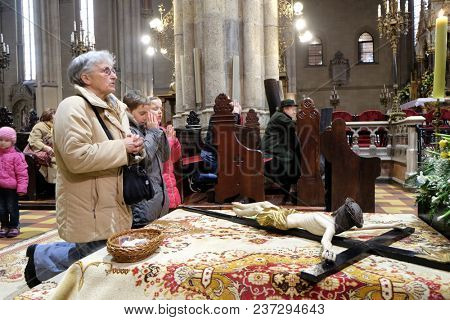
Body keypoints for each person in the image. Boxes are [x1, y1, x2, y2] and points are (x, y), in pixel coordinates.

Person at [24, 50, 144, 288]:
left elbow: (119, 148)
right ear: (85, 78)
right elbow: (76, 157)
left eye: (113, 70)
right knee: (94, 257)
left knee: (99, 254)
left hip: (111, 196)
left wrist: (135, 149)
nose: (114, 76)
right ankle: (41, 258)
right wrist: (123, 147)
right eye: (105, 70)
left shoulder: (114, 107)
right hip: (88, 199)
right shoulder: (73, 106)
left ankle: (41, 256)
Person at [232, 198, 400, 261]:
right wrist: (390, 226)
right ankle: (242, 207)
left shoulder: (330, 227)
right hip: (292, 214)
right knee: (265, 204)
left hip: (283, 221)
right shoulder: (333, 224)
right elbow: (364, 227)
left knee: (263, 208)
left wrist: (328, 251)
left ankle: (240, 212)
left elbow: (325, 241)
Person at [123, 92, 170, 227]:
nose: (147, 117)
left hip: (158, 198)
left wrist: (159, 132)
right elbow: (145, 159)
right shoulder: (129, 131)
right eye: (142, 113)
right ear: (129, 112)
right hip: (143, 204)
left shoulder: (148, 130)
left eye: (148, 113)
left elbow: (165, 157)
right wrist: (153, 132)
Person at [261, 99, 301, 202]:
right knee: (290, 159)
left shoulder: (281, 116)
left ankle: (290, 191)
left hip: (276, 147)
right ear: (285, 109)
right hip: (270, 149)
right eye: (293, 109)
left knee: (294, 156)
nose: (294, 112)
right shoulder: (280, 116)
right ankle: (290, 190)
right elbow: (293, 125)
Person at [147, 98, 183, 209]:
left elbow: (175, 158)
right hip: (160, 187)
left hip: (170, 184)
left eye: (161, 109)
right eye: (155, 108)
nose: (159, 112)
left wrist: (175, 141)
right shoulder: (148, 133)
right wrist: (170, 141)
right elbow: (160, 159)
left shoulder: (163, 130)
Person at [0, 127, 28, 238]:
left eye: (6, 140)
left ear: (12, 141)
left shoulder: (17, 156)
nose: (3, 142)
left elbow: (22, 173)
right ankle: (4, 225)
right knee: (1, 208)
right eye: (0, 139)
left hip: (11, 187)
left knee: (12, 207)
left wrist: (22, 188)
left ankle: (14, 226)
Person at [27, 109, 57, 184]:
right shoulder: (39, 126)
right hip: (45, 154)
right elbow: (34, 141)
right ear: (49, 116)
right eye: (54, 116)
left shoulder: (56, 126)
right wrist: (46, 148)